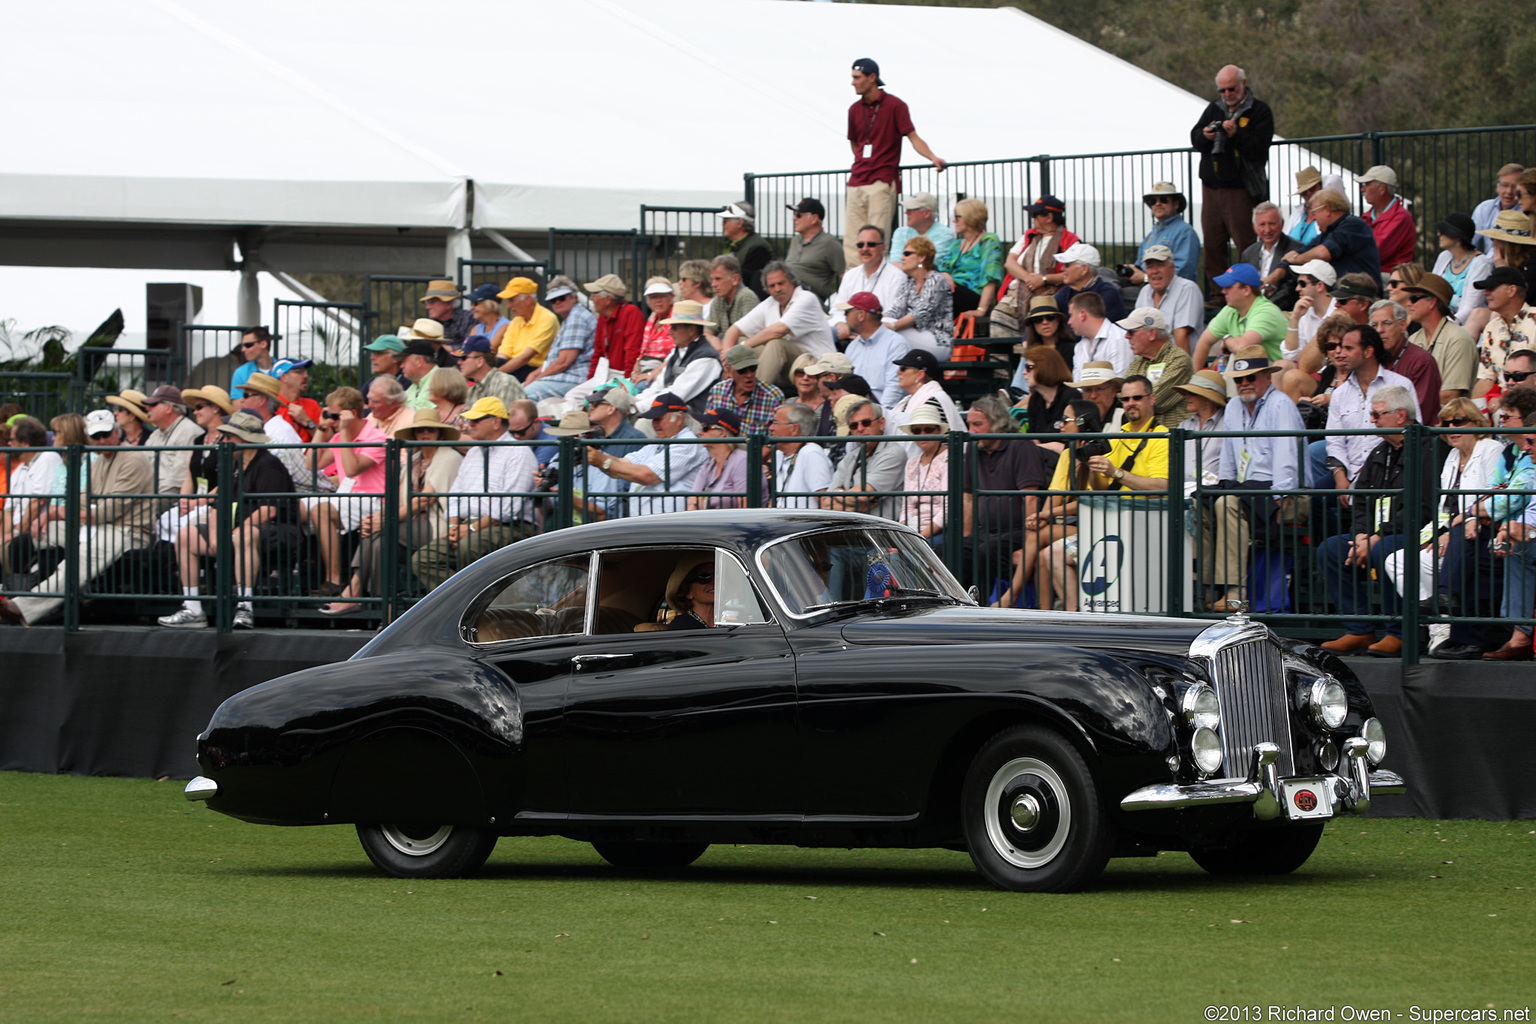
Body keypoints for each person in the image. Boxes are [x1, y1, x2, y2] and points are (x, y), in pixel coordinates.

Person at [1380, 399, 1504, 659]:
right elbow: (1442, 510)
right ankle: (1440, 623)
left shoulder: (1490, 448)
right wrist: (1433, 536)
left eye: (1459, 421)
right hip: (1455, 531)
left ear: (1476, 423)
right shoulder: (1451, 456)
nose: (1452, 428)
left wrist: (1455, 526)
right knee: (1399, 560)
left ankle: (1444, 600)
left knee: (1456, 540)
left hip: (1482, 529)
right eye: (1446, 423)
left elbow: (1494, 495)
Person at [1316, 385, 1435, 656]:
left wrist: (1377, 537)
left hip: (1417, 533)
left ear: (1401, 415)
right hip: (1376, 534)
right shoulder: (1380, 451)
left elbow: (1422, 508)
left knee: (1385, 549)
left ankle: (1401, 632)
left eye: (1377, 414)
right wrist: (1360, 535)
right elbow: (1361, 500)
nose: (1372, 420)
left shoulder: (1428, 448)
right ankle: (1359, 629)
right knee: (1331, 549)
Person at [152, 411, 298, 630]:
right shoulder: (233, 466)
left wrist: (233, 533)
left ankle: (245, 607)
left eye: (230, 437)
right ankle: (192, 609)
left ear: (245, 440)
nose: (224, 441)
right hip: (237, 533)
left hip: (279, 532)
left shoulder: (268, 463)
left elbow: (269, 511)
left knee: (243, 535)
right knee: (186, 535)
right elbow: (217, 508)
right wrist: (215, 539)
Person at [1036, 378, 1170, 609]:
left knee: (1049, 549)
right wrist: (1091, 467)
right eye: (1125, 399)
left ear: (1152, 399)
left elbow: (1161, 487)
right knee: (1051, 554)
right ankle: (1077, 619)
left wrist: (1116, 472)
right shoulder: (1119, 436)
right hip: (1111, 525)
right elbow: (1101, 489)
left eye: (1137, 398)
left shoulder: (1162, 436)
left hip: (1146, 526)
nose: (1131, 403)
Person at [320, 407, 465, 618]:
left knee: (383, 532)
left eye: (431, 430)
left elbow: (424, 501)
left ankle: (357, 593)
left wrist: (386, 521)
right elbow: (396, 502)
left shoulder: (449, 457)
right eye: (420, 430)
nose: (425, 433)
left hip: (437, 525)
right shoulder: (411, 461)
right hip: (409, 526)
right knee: (377, 540)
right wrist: (377, 519)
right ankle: (387, 611)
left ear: (440, 433)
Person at [1200, 346, 1306, 612]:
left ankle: (1236, 590)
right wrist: (1220, 489)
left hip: (1288, 494)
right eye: (1239, 379)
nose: (1244, 383)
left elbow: (1287, 459)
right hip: (1247, 491)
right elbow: (1228, 457)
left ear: (1267, 377)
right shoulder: (1234, 406)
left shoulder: (1280, 404)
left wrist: (1281, 500)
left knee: (1227, 505)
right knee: (1200, 506)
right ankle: (1203, 588)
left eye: (1251, 377)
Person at [410, 397, 536, 591]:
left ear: (495, 422)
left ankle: (474, 604)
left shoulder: (519, 452)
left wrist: (470, 530)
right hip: (473, 526)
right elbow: (455, 496)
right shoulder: (473, 453)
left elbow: (508, 508)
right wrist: (454, 526)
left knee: (469, 546)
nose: (469, 425)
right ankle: (462, 602)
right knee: (424, 558)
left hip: (512, 527)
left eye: (476, 421)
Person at [843, 56, 946, 268]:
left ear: (872, 78)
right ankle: (854, 289)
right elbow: (855, 143)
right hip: (857, 180)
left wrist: (932, 157)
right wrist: (863, 160)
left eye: (857, 77)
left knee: (876, 239)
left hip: (882, 180)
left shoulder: (895, 106)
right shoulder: (854, 110)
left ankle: (876, 288)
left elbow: (913, 137)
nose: (853, 82)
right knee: (853, 240)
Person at [1190, 64, 1273, 299]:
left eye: (1231, 89)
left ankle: (1247, 291)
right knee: (1213, 243)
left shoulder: (1259, 111)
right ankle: (1219, 294)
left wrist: (1236, 134)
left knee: (1245, 244)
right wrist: (1206, 135)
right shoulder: (1213, 109)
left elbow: (1259, 148)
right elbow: (1195, 138)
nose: (1227, 94)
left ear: (1244, 84)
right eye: (1222, 90)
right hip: (1211, 188)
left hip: (1240, 189)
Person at [304, 386, 389, 597]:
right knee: (296, 507)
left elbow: (352, 469)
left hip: (374, 499)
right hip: (346, 496)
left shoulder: (377, 438)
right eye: (330, 415)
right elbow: (311, 464)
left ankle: (333, 579)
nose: (332, 420)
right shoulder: (337, 437)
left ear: (355, 413)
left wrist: (343, 431)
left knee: (322, 510)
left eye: (336, 416)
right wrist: (321, 429)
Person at [1020, 399, 1103, 611]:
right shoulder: (1067, 454)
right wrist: (1039, 517)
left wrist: (1047, 515)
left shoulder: (1098, 451)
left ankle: (1011, 595)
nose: (1061, 424)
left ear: (1083, 422)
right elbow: (1055, 494)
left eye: (1066, 420)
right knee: (1038, 547)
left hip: (1094, 525)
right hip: (1073, 524)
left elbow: (1089, 501)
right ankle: (1045, 611)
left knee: (1037, 536)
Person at [961, 394, 1048, 590]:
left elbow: (1031, 498)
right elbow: (967, 499)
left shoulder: (1021, 446)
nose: (971, 431)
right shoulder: (973, 447)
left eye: (977, 424)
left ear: (998, 424)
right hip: (985, 533)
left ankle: (982, 607)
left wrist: (1028, 546)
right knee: (949, 551)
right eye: (969, 424)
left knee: (986, 552)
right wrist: (966, 538)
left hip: (1017, 532)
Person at [1319, 324, 1420, 491]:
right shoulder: (1340, 393)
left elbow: (1414, 432)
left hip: (1388, 471)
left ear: (1368, 351)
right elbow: (1334, 441)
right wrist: (1340, 477)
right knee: (1315, 499)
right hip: (1348, 472)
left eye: (1349, 348)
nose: (1341, 354)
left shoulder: (1401, 385)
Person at [721, 262, 835, 394]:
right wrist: (729, 359)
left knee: (776, 344)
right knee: (739, 339)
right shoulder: (770, 303)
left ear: (792, 282)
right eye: (772, 286)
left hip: (817, 364)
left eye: (781, 283)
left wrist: (741, 348)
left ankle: (753, 395)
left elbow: (780, 330)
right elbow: (734, 330)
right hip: (789, 366)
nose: (777, 289)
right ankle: (733, 385)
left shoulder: (806, 299)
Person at [606, 394, 709, 516]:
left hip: (669, 525)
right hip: (650, 523)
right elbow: (623, 463)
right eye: (654, 420)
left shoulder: (687, 443)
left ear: (679, 418)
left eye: (659, 419)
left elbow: (647, 476)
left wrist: (601, 461)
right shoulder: (655, 445)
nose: (655, 425)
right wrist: (595, 455)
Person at [156, 385, 232, 544]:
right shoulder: (198, 440)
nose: (195, 412)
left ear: (216, 408)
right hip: (194, 504)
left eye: (199, 407)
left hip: (215, 505)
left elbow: (229, 480)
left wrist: (198, 502)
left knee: (182, 527)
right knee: (164, 521)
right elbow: (189, 477)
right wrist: (184, 500)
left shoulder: (228, 440)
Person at [995, 195, 1080, 332]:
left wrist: (1044, 280)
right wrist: (1030, 279)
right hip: (1018, 291)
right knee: (998, 317)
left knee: (1040, 319)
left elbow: (1074, 273)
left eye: (1035, 215)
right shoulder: (1029, 235)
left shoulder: (1070, 240)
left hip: (1049, 294)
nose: (1032, 219)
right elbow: (1010, 263)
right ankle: (1002, 354)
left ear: (1049, 217)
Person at [635, 300, 722, 418]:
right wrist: (634, 402)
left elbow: (677, 394)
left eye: (674, 328)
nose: (670, 332)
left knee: (642, 424)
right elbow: (659, 386)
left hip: (693, 420)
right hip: (670, 413)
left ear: (691, 330)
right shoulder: (677, 352)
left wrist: (637, 407)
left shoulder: (706, 359)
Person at [1191, 263, 1289, 368]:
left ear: (1246, 290)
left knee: (1239, 357)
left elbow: (1242, 347)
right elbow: (1204, 342)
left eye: (1228, 287)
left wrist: (1227, 338)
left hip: (1277, 372)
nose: (1223, 291)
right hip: (1258, 371)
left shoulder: (1266, 312)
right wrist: (1194, 378)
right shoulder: (1230, 309)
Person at [822, 399, 904, 521]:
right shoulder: (850, 456)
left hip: (881, 530)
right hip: (850, 528)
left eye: (866, 423)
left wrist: (839, 494)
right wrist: (857, 508)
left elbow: (862, 496)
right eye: (854, 425)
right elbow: (826, 503)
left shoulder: (894, 453)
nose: (860, 428)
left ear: (881, 424)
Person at [1, 417, 61, 578]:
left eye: (12, 440)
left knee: (14, 546)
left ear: (26, 442)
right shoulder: (21, 468)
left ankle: (11, 595)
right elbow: (8, 510)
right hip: (17, 530)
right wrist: (5, 535)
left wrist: (15, 533)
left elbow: (37, 502)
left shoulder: (47, 458)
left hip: (36, 530)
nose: (8, 444)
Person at [1404, 274, 1478, 401]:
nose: (1408, 303)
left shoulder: (1459, 339)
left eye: (1414, 298)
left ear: (1432, 302)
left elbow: (1450, 395)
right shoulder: (1412, 339)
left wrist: (1408, 402)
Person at [1282, 188, 1381, 282]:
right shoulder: (1328, 233)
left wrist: (1296, 259)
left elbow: (1323, 253)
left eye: (1314, 212)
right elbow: (1303, 251)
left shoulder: (1354, 225)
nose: (1314, 218)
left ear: (1328, 209)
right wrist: (1274, 276)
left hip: (1362, 295)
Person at [1369, 300, 1442, 425]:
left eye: (1386, 323)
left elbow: (1417, 413)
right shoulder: (1371, 360)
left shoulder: (1421, 361)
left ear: (1402, 325)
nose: (1379, 330)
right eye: (1374, 325)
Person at [522, 279, 595, 401]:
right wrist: (534, 374)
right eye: (553, 300)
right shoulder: (570, 318)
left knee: (525, 396)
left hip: (575, 378)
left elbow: (563, 363)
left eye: (561, 298)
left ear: (574, 298)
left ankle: (537, 421)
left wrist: (538, 378)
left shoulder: (576, 318)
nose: (557, 302)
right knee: (515, 392)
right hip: (561, 377)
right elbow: (555, 360)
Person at [1120, 308, 1193, 429]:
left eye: (1132, 331)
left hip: (1170, 438)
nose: (1126, 336)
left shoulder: (1179, 359)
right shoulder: (1138, 361)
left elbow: (1154, 401)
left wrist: (1130, 397)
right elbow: (1124, 396)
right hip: (1141, 437)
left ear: (1152, 333)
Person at [829, 227, 905, 342]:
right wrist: (841, 324)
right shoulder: (850, 275)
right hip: (847, 331)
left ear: (883, 247)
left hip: (878, 336)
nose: (865, 249)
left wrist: (863, 330)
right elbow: (837, 310)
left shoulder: (897, 277)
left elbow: (892, 317)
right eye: (860, 245)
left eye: (871, 244)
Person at [1473, 266, 1536, 397]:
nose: (1485, 293)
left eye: (1492, 288)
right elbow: (1487, 378)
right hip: (1504, 405)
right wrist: (1474, 410)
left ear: (1511, 290)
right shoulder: (1491, 328)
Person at [886, 234, 953, 358]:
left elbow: (920, 313)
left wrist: (891, 326)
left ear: (922, 257)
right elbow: (895, 311)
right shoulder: (908, 283)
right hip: (916, 337)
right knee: (877, 328)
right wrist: (875, 321)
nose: (902, 258)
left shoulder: (937, 280)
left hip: (938, 342)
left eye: (907, 254)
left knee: (884, 331)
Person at [835, 292, 906, 406]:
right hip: (853, 413)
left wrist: (878, 415)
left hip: (882, 415)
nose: (845, 316)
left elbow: (895, 388)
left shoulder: (896, 344)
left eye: (847, 312)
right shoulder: (852, 346)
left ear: (861, 315)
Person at [936, 198, 1003, 317]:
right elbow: (942, 269)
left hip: (971, 294)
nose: (954, 220)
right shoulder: (956, 245)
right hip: (950, 290)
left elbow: (990, 278)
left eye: (957, 217)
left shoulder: (988, 240)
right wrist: (945, 275)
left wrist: (981, 310)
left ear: (971, 218)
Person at [686, 408, 761, 510]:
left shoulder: (742, 460)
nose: (700, 432)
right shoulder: (708, 465)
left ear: (722, 432)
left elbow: (745, 507)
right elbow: (692, 503)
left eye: (705, 427)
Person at [1133, 245, 1204, 352]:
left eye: (1160, 265)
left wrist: (1177, 368)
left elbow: (1181, 335)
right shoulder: (1145, 292)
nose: (1155, 271)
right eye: (1150, 266)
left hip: (1175, 362)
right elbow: (1138, 334)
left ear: (1172, 267)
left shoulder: (1187, 289)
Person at [702, 345, 784, 437]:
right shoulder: (717, 391)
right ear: (729, 371)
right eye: (742, 370)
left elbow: (776, 439)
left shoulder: (773, 396)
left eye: (753, 368)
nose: (749, 375)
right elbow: (707, 427)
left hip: (756, 450)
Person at [898, 402, 950, 543]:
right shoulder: (912, 463)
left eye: (928, 429)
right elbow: (907, 505)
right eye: (917, 431)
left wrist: (921, 537)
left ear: (939, 430)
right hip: (912, 531)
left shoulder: (949, 458)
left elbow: (947, 508)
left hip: (939, 530)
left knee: (902, 556)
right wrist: (900, 537)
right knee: (878, 554)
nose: (922, 434)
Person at [142, 384, 204, 502]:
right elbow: (142, 469)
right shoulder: (155, 435)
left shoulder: (189, 432)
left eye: (153, 404)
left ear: (169, 408)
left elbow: (177, 483)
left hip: (172, 497)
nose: (147, 408)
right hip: (150, 495)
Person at [1130, 183, 1200, 286]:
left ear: (1176, 204)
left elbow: (1183, 271)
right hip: (1148, 286)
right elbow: (1140, 264)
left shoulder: (1185, 232)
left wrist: (1145, 278)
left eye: (1164, 200)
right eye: (1153, 201)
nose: (1158, 204)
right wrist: (1131, 270)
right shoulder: (1151, 234)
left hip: (1171, 290)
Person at [1429, 213, 1493, 326]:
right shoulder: (1444, 257)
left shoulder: (1481, 263)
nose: (1439, 234)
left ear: (1457, 236)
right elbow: (1431, 291)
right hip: (1436, 323)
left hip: (1462, 328)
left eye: (1443, 231)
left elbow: (1470, 307)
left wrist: (1444, 326)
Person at [768, 402, 833, 509]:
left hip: (805, 524)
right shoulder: (779, 454)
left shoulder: (811, 453)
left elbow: (824, 501)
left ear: (794, 429)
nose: (771, 428)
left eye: (775, 423)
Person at [1174, 369, 1228, 497]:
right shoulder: (1184, 426)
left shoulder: (1228, 425)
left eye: (1192, 393)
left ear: (1208, 397)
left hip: (1214, 496)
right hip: (1182, 495)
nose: (1186, 397)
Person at [493, 278, 559, 381]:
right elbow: (504, 353)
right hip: (515, 367)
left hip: (534, 370)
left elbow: (526, 357)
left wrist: (494, 375)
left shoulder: (547, 318)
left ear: (528, 300)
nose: (509, 306)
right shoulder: (516, 321)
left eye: (512, 300)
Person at [1241, 201, 1303, 305]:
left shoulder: (1296, 249)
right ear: (1254, 227)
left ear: (1282, 223)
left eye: (1272, 224)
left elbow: (1291, 289)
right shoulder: (1248, 253)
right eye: (1262, 224)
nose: (1267, 230)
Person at [584, 274, 645, 378]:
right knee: (574, 393)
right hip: (604, 373)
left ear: (607, 299)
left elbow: (632, 351)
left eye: (594, 294)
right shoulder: (602, 318)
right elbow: (597, 353)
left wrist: (627, 380)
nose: (591, 298)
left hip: (622, 374)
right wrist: (591, 378)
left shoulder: (631, 312)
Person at [1358, 166, 1417, 272]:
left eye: (1367, 184)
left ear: (1382, 189)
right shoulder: (1367, 216)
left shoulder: (1401, 217)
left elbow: (1376, 253)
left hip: (1392, 277)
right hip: (1372, 273)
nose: (1363, 189)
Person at [888, 348, 963, 432]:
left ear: (920, 374)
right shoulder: (907, 401)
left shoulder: (932, 401)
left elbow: (938, 440)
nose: (898, 372)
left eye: (903, 368)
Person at [785, 198, 844, 303]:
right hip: (787, 291)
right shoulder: (795, 240)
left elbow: (844, 275)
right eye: (794, 214)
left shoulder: (829, 243)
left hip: (808, 296)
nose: (794, 218)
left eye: (799, 215)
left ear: (814, 219)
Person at [1015, 345, 1080, 439]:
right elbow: (1033, 437)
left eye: (1029, 367)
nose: (1024, 372)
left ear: (1045, 367)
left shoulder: (1071, 396)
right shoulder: (1035, 400)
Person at [1054, 242, 1125, 325]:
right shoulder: (1066, 291)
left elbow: (1091, 329)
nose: (1062, 268)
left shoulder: (1107, 293)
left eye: (1067, 265)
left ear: (1084, 269)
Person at [1282, 259, 1338, 361]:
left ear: (1320, 286)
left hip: (1333, 370)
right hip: (1310, 370)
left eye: (1302, 284)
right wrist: (1295, 318)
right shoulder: (1304, 313)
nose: (1297, 288)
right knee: (1282, 365)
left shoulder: (1339, 310)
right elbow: (1290, 355)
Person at [1067, 292, 1131, 379]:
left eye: (1071, 315)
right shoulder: (1080, 346)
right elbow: (1077, 384)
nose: (1069, 322)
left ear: (1082, 315)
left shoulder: (1118, 339)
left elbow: (1120, 381)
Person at [457, 335, 527, 412]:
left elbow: (507, 422)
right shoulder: (473, 390)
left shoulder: (506, 383)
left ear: (480, 361)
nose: (459, 362)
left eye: (464, 358)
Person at [718, 202, 772, 300]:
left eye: (726, 221)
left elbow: (746, 278)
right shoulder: (732, 245)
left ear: (740, 223)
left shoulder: (758, 248)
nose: (723, 224)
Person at [888, 191, 955, 267]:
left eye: (911, 209)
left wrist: (906, 267)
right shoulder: (900, 232)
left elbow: (929, 264)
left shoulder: (945, 234)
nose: (906, 212)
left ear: (926, 213)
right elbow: (894, 263)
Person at [705, 255, 760, 347]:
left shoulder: (747, 297)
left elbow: (749, 333)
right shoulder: (719, 299)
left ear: (735, 279)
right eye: (712, 279)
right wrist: (712, 339)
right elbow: (707, 331)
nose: (713, 284)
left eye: (718, 279)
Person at [1472, 163, 1525, 256]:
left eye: (1515, 186)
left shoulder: (1525, 211)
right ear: (1497, 186)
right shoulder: (1484, 208)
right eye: (1505, 185)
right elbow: (1470, 241)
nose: (1509, 191)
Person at [665, 555, 716, 630]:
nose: (715, 582)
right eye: (704, 577)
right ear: (687, 592)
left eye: (718, 576)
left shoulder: (729, 624)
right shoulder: (681, 626)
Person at [419, 280, 477, 345]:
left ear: (449, 303)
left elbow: (467, 348)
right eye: (426, 303)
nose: (427, 307)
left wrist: (439, 347)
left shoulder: (469, 319)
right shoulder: (429, 324)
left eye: (432, 302)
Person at [229, 327, 275, 399]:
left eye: (248, 345)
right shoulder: (240, 373)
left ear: (263, 344)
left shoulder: (284, 369)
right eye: (243, 346)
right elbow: (237, 407)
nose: (243, 349)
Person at [639, 276, 677, 362]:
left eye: (662, 296)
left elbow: (677, 354)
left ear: (671, 297)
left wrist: (651, 374)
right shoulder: (651, 322)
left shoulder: (677, 320)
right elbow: (642, 353)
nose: (658, 300)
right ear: (648, 301)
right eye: (653, 297)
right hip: (646, 367)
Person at [464, 283, 510, 352]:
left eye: (476, 303)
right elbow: (466, 350)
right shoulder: (476, 328)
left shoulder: (506, 326)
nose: (472, 307)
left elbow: (487, 350)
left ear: (491, 305)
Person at [426, 367, 468, 435]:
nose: (429, 388)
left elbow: (473, 442)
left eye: (433, 384)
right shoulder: (431, 413)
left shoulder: (466, 414)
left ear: (446, 386)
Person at [399, 340, 439, 411]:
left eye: (404, 361)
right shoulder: (414, 385)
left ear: (419, 361)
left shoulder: (441, 383)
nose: (401, 366)